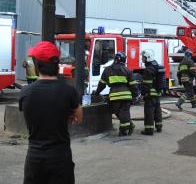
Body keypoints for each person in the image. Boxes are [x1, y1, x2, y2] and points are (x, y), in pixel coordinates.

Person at [19, 41, 83, 184]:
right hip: (61, 158)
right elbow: (78, 118)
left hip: (35, 159)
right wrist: (64, 116)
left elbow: (32, 117)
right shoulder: (69, 91)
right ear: (57, 64)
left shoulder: (26, 93)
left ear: (37, 65)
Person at [94, 52, 138, 136]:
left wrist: (96, 93)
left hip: (114, 96)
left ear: (116, 59)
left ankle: (126, 128)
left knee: (118, 112)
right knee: (124, 113)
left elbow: (102, 84)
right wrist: (135, 95)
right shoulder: (127, 70)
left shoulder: (107, 70)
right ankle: (125, 129)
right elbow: (133, 85)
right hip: (126, 96)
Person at [140, 50, 163, 135]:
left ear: (147, 58)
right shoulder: (156, 66)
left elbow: (146, 84)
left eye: (143, 57)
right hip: (157, 93)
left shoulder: (148, 69)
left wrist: (143, 93)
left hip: (150, 94)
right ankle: (159, 126)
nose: (142, 58)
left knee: (149, 111)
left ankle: (149, 130)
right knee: (157, 110)